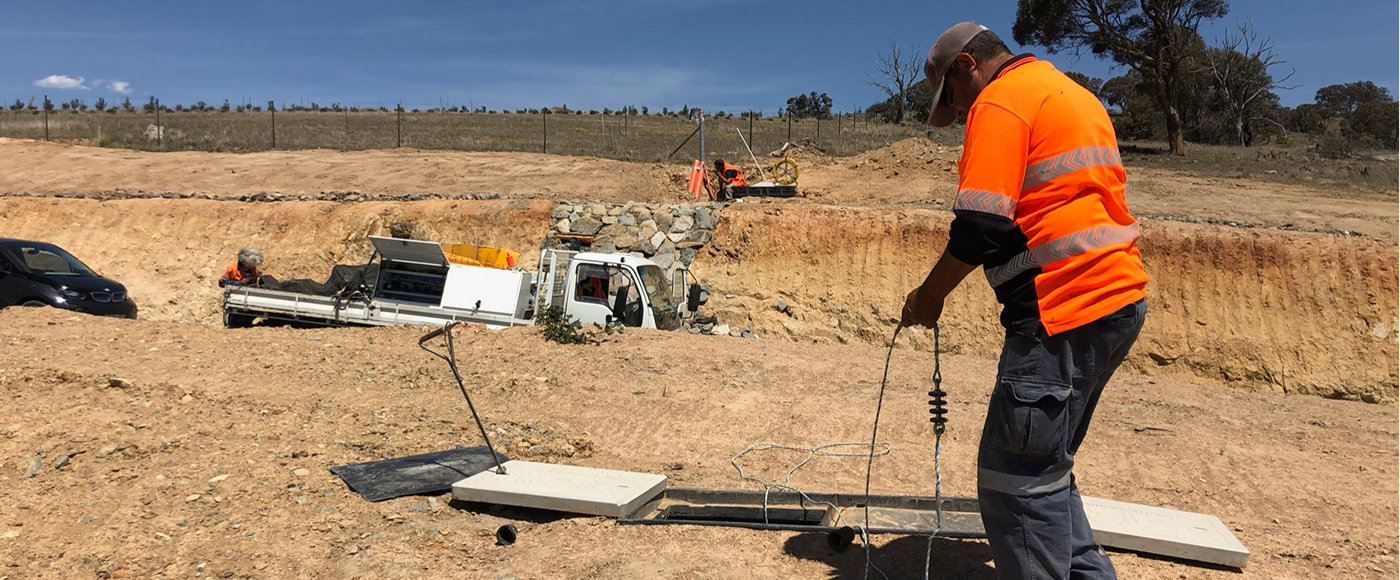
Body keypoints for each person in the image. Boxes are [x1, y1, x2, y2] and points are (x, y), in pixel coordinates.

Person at [900, 22, 1149, 580]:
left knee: (1014, 481)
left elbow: (980, 227)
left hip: (1061, 311)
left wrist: (930, 296)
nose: (960, 111)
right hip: (1116, 300)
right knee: (1045, 469)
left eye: (953, 97)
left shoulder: (1001, 100)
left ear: (967, 66)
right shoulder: (1070, 93)